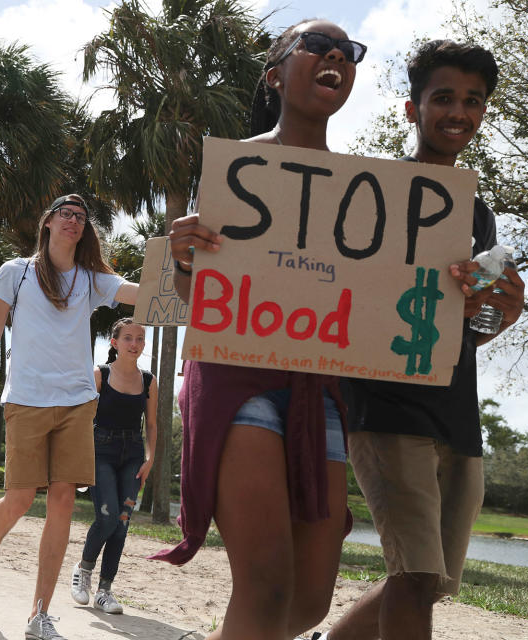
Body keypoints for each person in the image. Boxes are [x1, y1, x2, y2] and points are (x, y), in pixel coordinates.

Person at [160, 21, 366, 639]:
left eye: (347, 51)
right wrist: (181, 257)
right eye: (316, 46)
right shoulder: (236, 168)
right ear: (274, 74)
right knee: (267, 582)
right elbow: (197, 300)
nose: (335, 56)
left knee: (308, 602)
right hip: (237, 383)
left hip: (320, 391)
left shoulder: (367, 189)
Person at [315, 40, 526, 640]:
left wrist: (501, 317)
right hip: (385, 410)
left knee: (422, 580)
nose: (458, 111)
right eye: (443, 98)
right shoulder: (369, 193)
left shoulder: (478, 215)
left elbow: (457, 330)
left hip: (456, 415)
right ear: (413, 109)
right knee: (413, 580)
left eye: (473, 100)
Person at [0, 193, 138, 640]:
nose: (74, 221)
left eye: (81, 217)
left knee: (63, 500)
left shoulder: (91, 278)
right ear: (48, 222)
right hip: (25, 399)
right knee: (21, 498)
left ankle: (39, 615)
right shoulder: (17, 272)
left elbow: (141, 295)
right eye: (66, 213)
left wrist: (189, 273)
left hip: (79, 402)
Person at [70, 318, 157, 615]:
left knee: (121, 524)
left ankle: (104, 591)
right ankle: (83, 571)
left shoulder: (148, 380)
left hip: (133, 454)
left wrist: (149, 458)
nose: (135, 344)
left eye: (140, 339)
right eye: (129, 338)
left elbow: (153, 426)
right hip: (101, 451)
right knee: (107, 518)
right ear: (115, 342)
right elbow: (80, 416)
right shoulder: (100, 374)